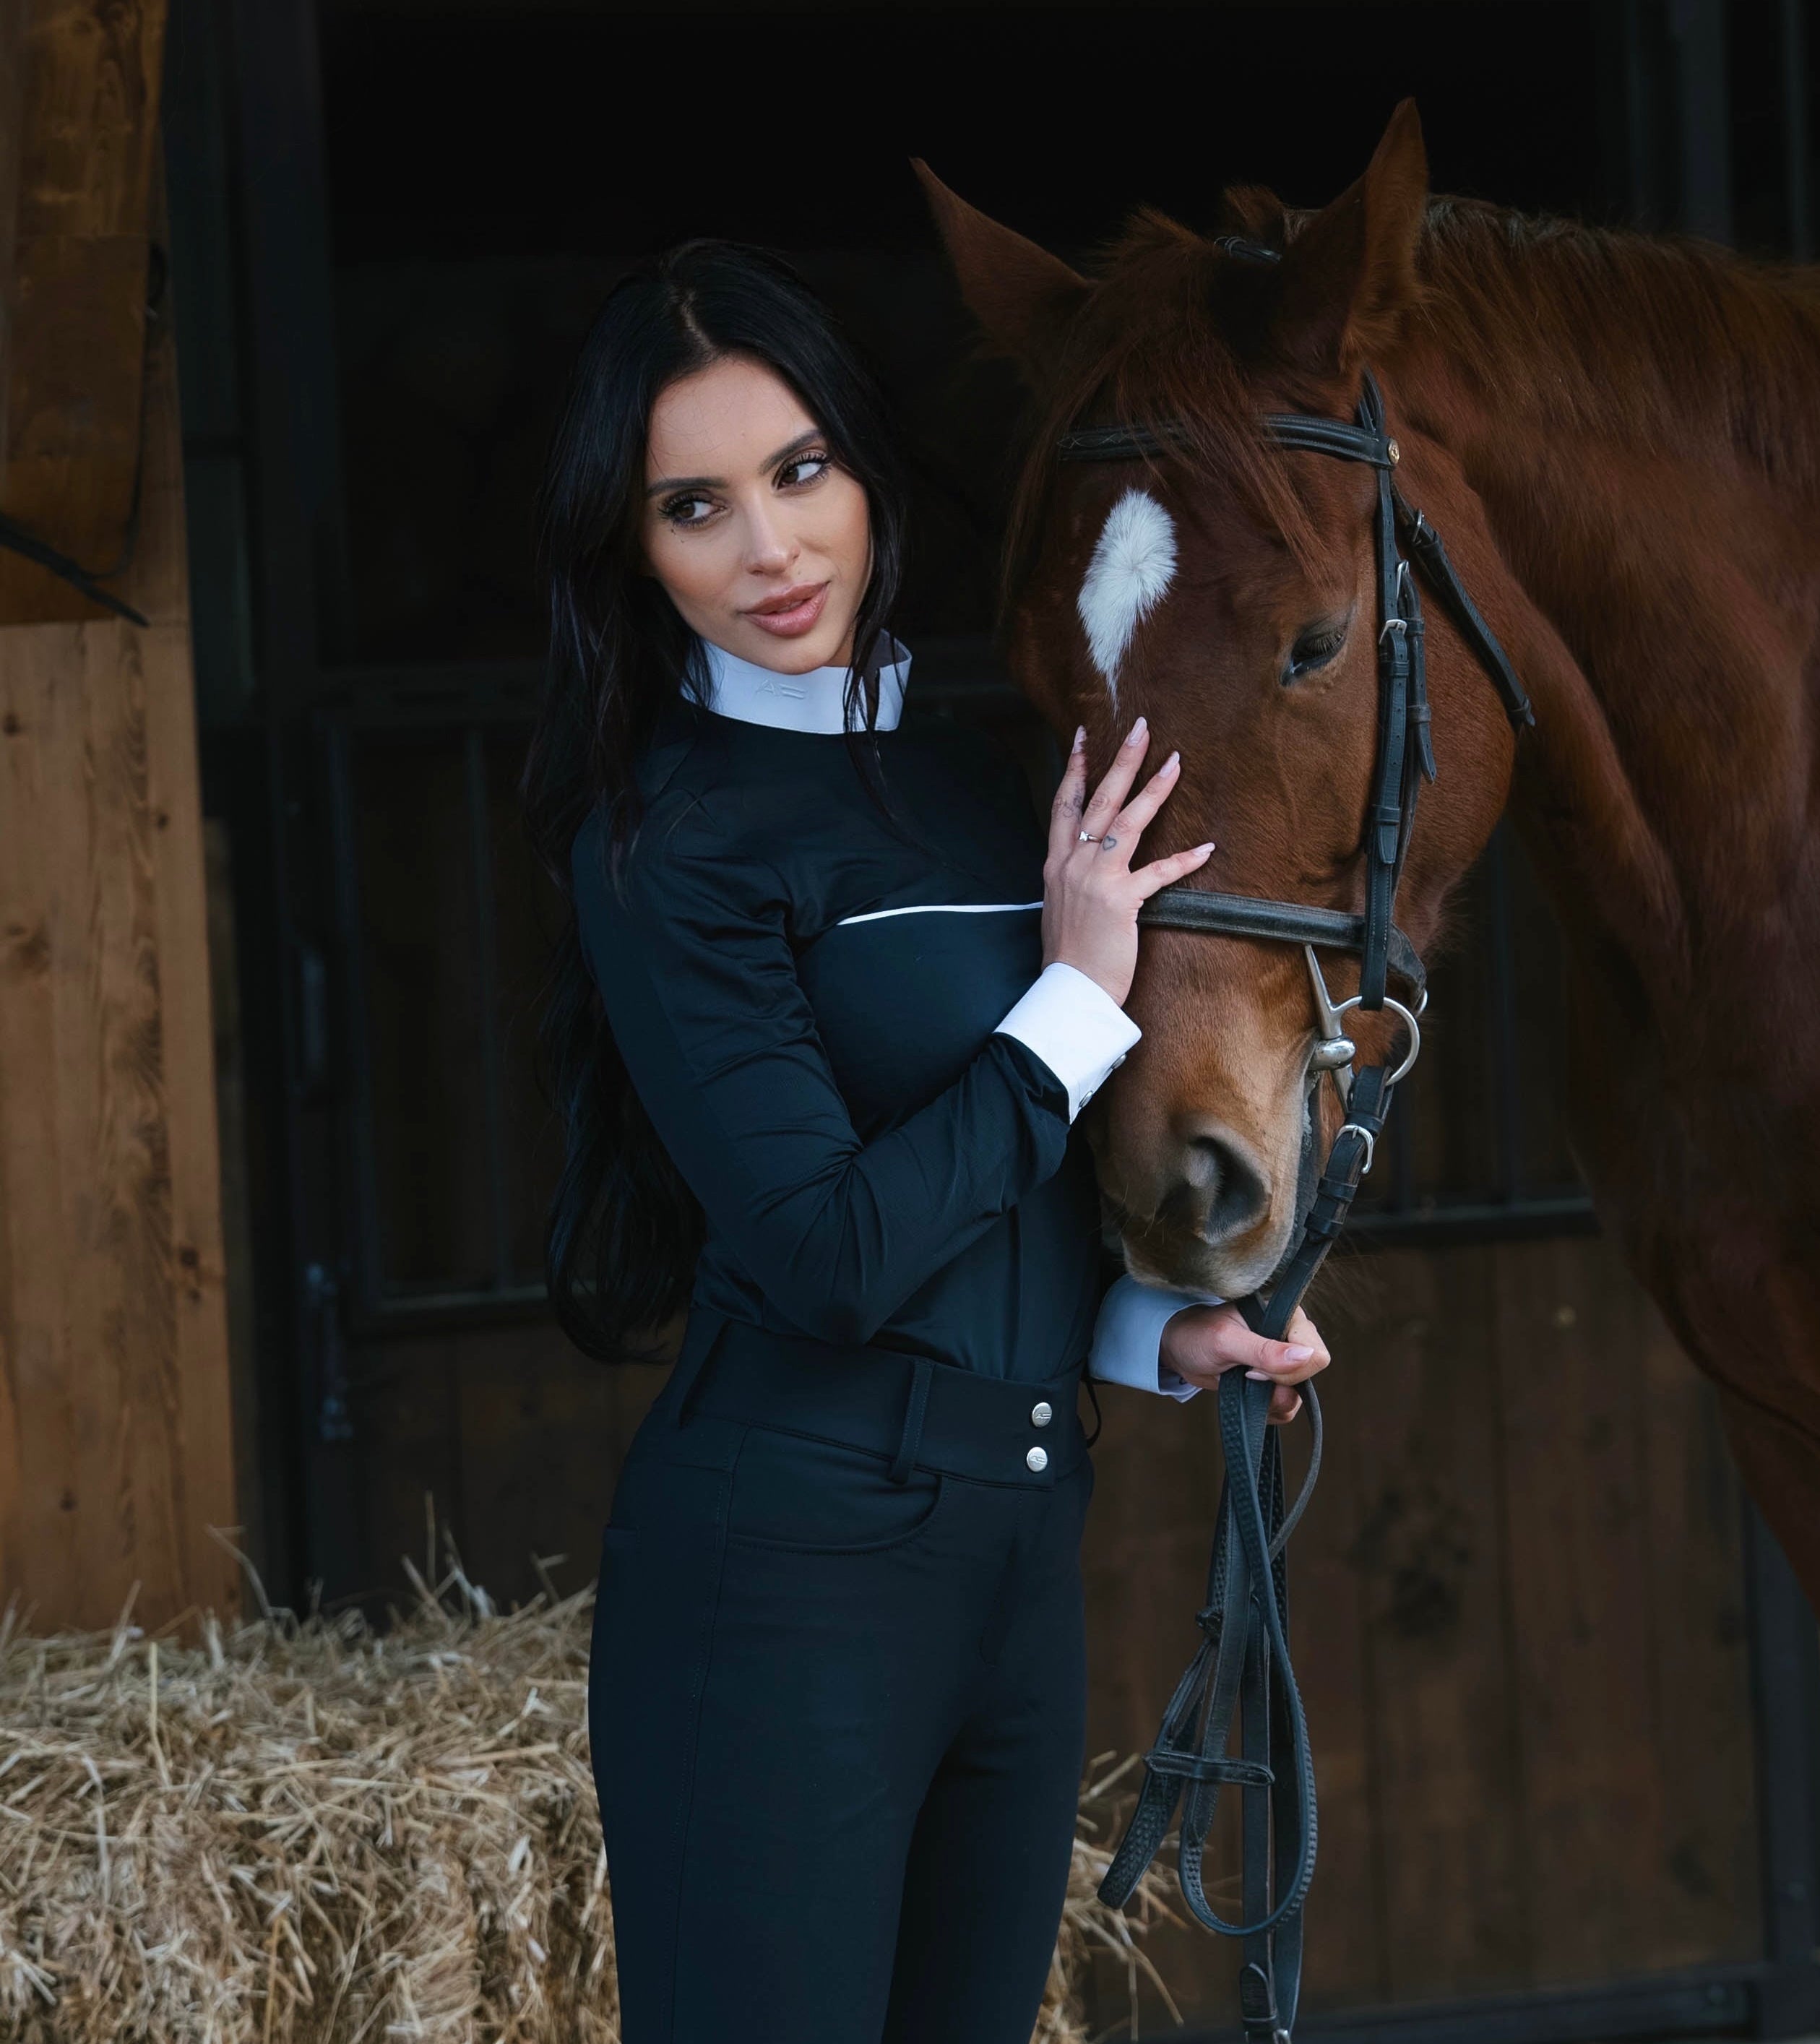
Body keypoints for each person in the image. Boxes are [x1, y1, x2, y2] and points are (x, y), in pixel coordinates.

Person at [522, 239, 1332, 2044]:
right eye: (695, 505)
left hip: (1012, 1556)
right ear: (632, 549)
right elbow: (822, 1249)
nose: (771, 547)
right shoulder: (672, 844)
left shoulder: (997, 780)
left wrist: (1154, 1330)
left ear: (869, 470)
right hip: (784, 1567)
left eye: (800, 471)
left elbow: (1004, 1192)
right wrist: (1075, 999)